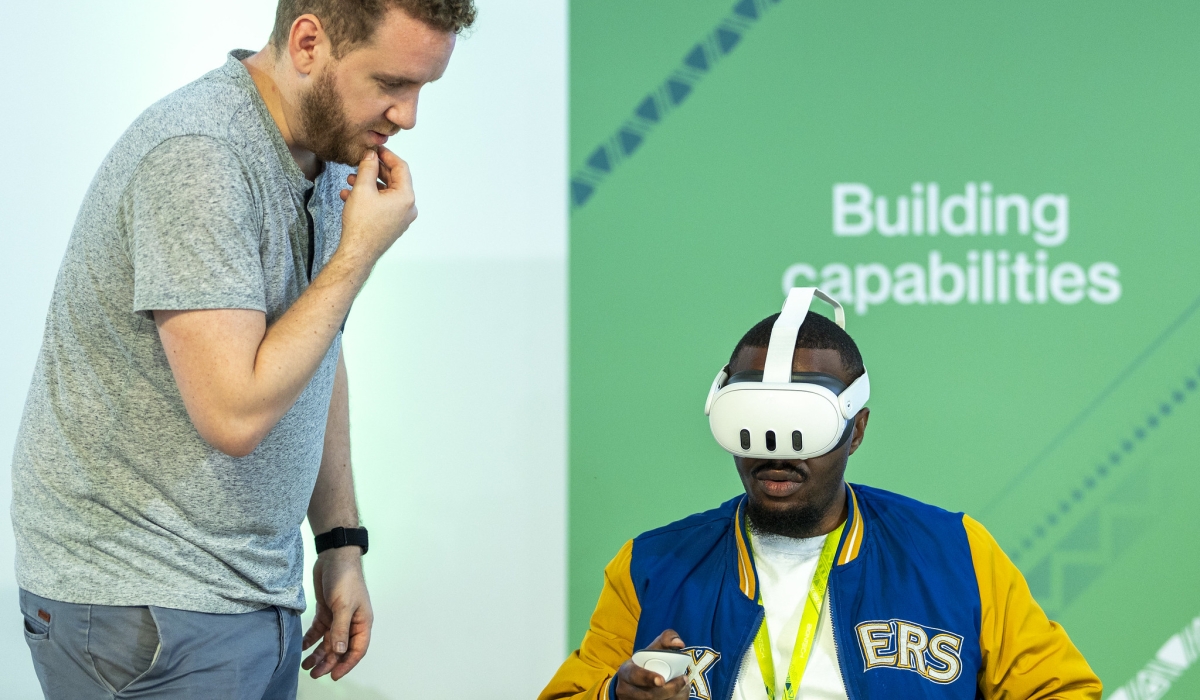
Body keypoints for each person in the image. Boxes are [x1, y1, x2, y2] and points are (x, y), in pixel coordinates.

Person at [11, 1, 475, 697]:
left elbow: (312, 348)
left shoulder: (323, 153)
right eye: (390, 84)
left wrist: (340, 542)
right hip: (145, 602)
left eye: (420, 89)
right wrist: (358, 254)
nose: (406, 116)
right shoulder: (200, 156)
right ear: (309, 42)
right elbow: (233, 416)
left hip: (243, 590)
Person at [539, 290, 1102, 700]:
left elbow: (1062, 691)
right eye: (753, 425)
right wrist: (614, 698)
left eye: (802, 428)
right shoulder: (651, 566)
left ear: (855, 430)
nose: (776, 454)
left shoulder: (955, 554)